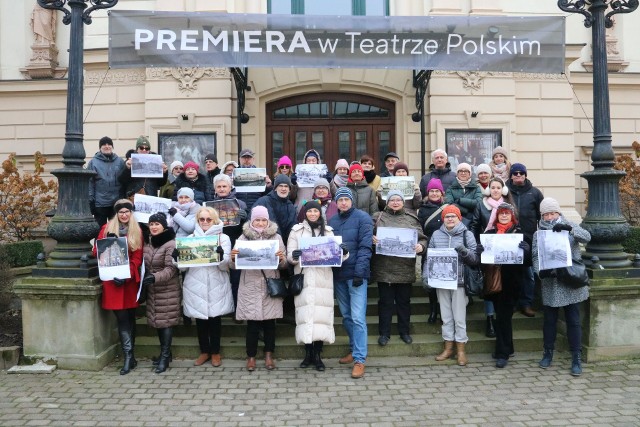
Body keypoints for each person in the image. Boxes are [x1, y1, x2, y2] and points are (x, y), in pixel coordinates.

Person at [532, 197, 590, 376]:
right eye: (546, 214)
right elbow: (535, 256)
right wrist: (540, 272)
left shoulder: (569, 224)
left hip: (571, 280)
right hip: (551, 281)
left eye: (552, 213)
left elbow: (587, 237)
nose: (549, 217)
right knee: (549, 320)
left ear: (558, 212)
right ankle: (547, 353)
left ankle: (576, 357)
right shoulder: (538, 233)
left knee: (573, 320)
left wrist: (570, 229)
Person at [287, 201, 346, 371]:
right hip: (304, 277)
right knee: (305, 316)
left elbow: (338, 257)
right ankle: (307, 354)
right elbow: (289, 254)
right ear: (305, 213)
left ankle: (318, 355)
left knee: (321, 317)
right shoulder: (296, 231)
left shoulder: (328, 232)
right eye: (310, 211)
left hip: (323, 279)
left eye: (315, 211)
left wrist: (344, 252)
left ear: (320, 213)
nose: (313, 214)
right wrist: (295, 255)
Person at [230, 206, 287, 371]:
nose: (261, 223)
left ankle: (269, 355)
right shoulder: (243, 238)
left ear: (268, 221)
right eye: (257, 220)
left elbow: (283, 266)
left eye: (263, 220)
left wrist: (282, 259)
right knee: (252, 325)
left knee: (270, 323)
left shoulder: (276, 237)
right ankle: (251, 356)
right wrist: (233, 258)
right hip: (250, 285)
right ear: (252, 221)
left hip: (270, 285)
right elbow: (233, 266)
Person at [93, 199, 143, 375]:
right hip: (112, 280)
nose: (124, 215)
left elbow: (138, 257)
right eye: (121, 212)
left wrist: (126, 273)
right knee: (122, 319)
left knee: (130, 317)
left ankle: (133, 356)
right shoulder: (106, 229)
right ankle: (128, 356)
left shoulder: (136, 231)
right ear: (116, 214)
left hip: (128, 280)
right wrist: (107, 241)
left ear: (131, 213)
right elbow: (96, 252)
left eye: (127, 212)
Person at [371, 190, 427, 346]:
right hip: (384, 268)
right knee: (385, 303)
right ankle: (384, 333)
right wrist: (371, 238)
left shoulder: (411, 219)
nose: (395, 202)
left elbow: (423, 239)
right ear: (387, 202)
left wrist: (420, 247)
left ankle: (404, 332)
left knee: (403, 302)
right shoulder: (377, 217)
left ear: (403, 202)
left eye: (398, 200)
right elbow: (365, 235)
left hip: (405, 268)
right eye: (392, 200)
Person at [328, 187, 373, 379]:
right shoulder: (332, 221)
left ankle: (360, 359)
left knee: (357, 318)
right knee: (346, 316)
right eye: (340, 200)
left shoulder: (363, 218)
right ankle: (354, 349)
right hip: (339, 275)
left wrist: (360, 272)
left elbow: (365, 247)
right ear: (336, 203)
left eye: (346, 199)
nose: (343, 203)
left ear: (352, 201)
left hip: (356, 275)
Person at [181, 207, 233, 368]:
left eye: (208, 219)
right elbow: (182, 268)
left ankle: (215, 352)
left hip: (215, 282)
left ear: (215, 220)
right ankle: (204, 351)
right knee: (200, 319)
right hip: (195, 282)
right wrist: (177, 258)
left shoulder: (223, 238)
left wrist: (220, 256)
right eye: (201, 219)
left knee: (215, 319)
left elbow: (227, 265)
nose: (205, 222)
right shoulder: (190, 238)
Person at [480, 203, 531, 368]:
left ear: (512, 216)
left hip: (512, 283)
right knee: (502, 317)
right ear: (496, 216)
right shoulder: (490, 233)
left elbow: (528, 262)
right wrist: (480, 250)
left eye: (506, 214)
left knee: (503, 317)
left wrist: (527, 250)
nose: (503, 216)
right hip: (494, 281)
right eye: (501, 214)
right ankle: (508, 348)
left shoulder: (520, 234)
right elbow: (481, 261)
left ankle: (502, 354)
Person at [427, 205, 479, 366]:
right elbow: (429, 257)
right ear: (443, 219)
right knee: (446, 317)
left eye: (453, 216)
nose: (450, 219)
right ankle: (448, 348)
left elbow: (475, 259)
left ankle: (461, 350)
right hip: (441, 282)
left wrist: (463, 250)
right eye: (447, 216)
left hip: (460, 282)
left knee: (459, 318)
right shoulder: (436, 234)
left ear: (459, 218)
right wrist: (425, 276)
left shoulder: (467, 234)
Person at [469, 177, 515, 338]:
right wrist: (477, 245)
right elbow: (474, 225)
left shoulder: (508, 206)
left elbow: (516, 225)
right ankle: (489, 320)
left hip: (506, 256)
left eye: (498, 187)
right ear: (489, 190)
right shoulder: (481, 205)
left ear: (502, 190)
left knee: (504, 287)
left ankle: (502, 318)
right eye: (492, 187)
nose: (495, 190)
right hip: (487, 252)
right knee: (490, 286)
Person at [143, 212, 180, 374]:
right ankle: (166, 354)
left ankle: (165, 357)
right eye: (151, 224)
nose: (154, 227)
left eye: (157, 224)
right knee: (158, 321)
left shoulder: (170, 244)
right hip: (153, 288)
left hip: (167, 289)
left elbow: (171, 269)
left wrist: (154, 277)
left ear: (164, 226)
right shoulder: (149, 243)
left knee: (165, 322)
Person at [506, 163, 544, 318]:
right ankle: (513, 302)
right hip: (510, 237)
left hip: (529, 238)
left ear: (526, 175)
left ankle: (526, 303)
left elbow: (542, 217)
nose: (519, 175)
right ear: (511, 176)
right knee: (512, 274)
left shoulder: (535, 193)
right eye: (515, 173)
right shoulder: (505, 192)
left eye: (522, 173)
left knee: (528, 274)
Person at [212, 173, 248, 318]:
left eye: (224, 186)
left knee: (236, 278)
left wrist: (245, 216)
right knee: (218, 277)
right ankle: (221, 308)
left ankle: (236, 309)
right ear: (215, 188)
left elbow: (247, 227)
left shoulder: (240, 203)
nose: (221, 189)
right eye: (219, 187)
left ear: (230, 187)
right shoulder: (209, 204)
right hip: (217, 242)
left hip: (234, 241)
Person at [417, 178, 447, 324]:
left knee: (444, 282)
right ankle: (433, 310)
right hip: (429, 249)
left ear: (442, 193)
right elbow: (420, 230)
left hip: (446, 250)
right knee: (431, 282)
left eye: (437, 191)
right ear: (428, 193)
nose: (434, 194)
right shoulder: (422, 210)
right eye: (432, 191)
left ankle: (443, 311)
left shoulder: (448, 207)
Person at [87, 136, 125, 227]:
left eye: (109, 144)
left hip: (116, 203)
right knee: (100, 232)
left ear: (112, 146)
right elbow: (90, 182)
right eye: (104, 144)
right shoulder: (93, 162)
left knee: (116, 231)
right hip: (100, 204)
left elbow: (124, 180)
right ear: (100, 147)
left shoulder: (120, 161)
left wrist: (123, 198)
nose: (107, 146)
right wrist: (91, 201)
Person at [119, 136, 168, 200]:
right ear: (137, 149)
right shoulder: (129, 162)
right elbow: (121, 180)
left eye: (147, 149)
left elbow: (161, 183)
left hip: (151, 196)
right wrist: (127, 168)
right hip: (134, 197)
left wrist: (164, 173)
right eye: (141, 148)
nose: (144, 150)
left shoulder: (156, 162)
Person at [254, 174, 297, 245]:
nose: (283, 189)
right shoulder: (263, 201)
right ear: (275, 188)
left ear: (289, 189)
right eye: (280, 186)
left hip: (285, 246)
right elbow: (252, 223)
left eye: (286, 186)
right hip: (266, 244)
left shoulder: (290, 206)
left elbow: (293, 227)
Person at [444, 163, 482, 227]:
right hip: (455, 222)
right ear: (457, 173)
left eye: (466, 171)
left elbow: (478, 203)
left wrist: (460, 201)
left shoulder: (476, 187)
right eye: (461, 171)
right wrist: (466, 210)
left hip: (473, 222)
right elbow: (450, 205)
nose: (463, 173)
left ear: (470, 174)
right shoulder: (451, 188)